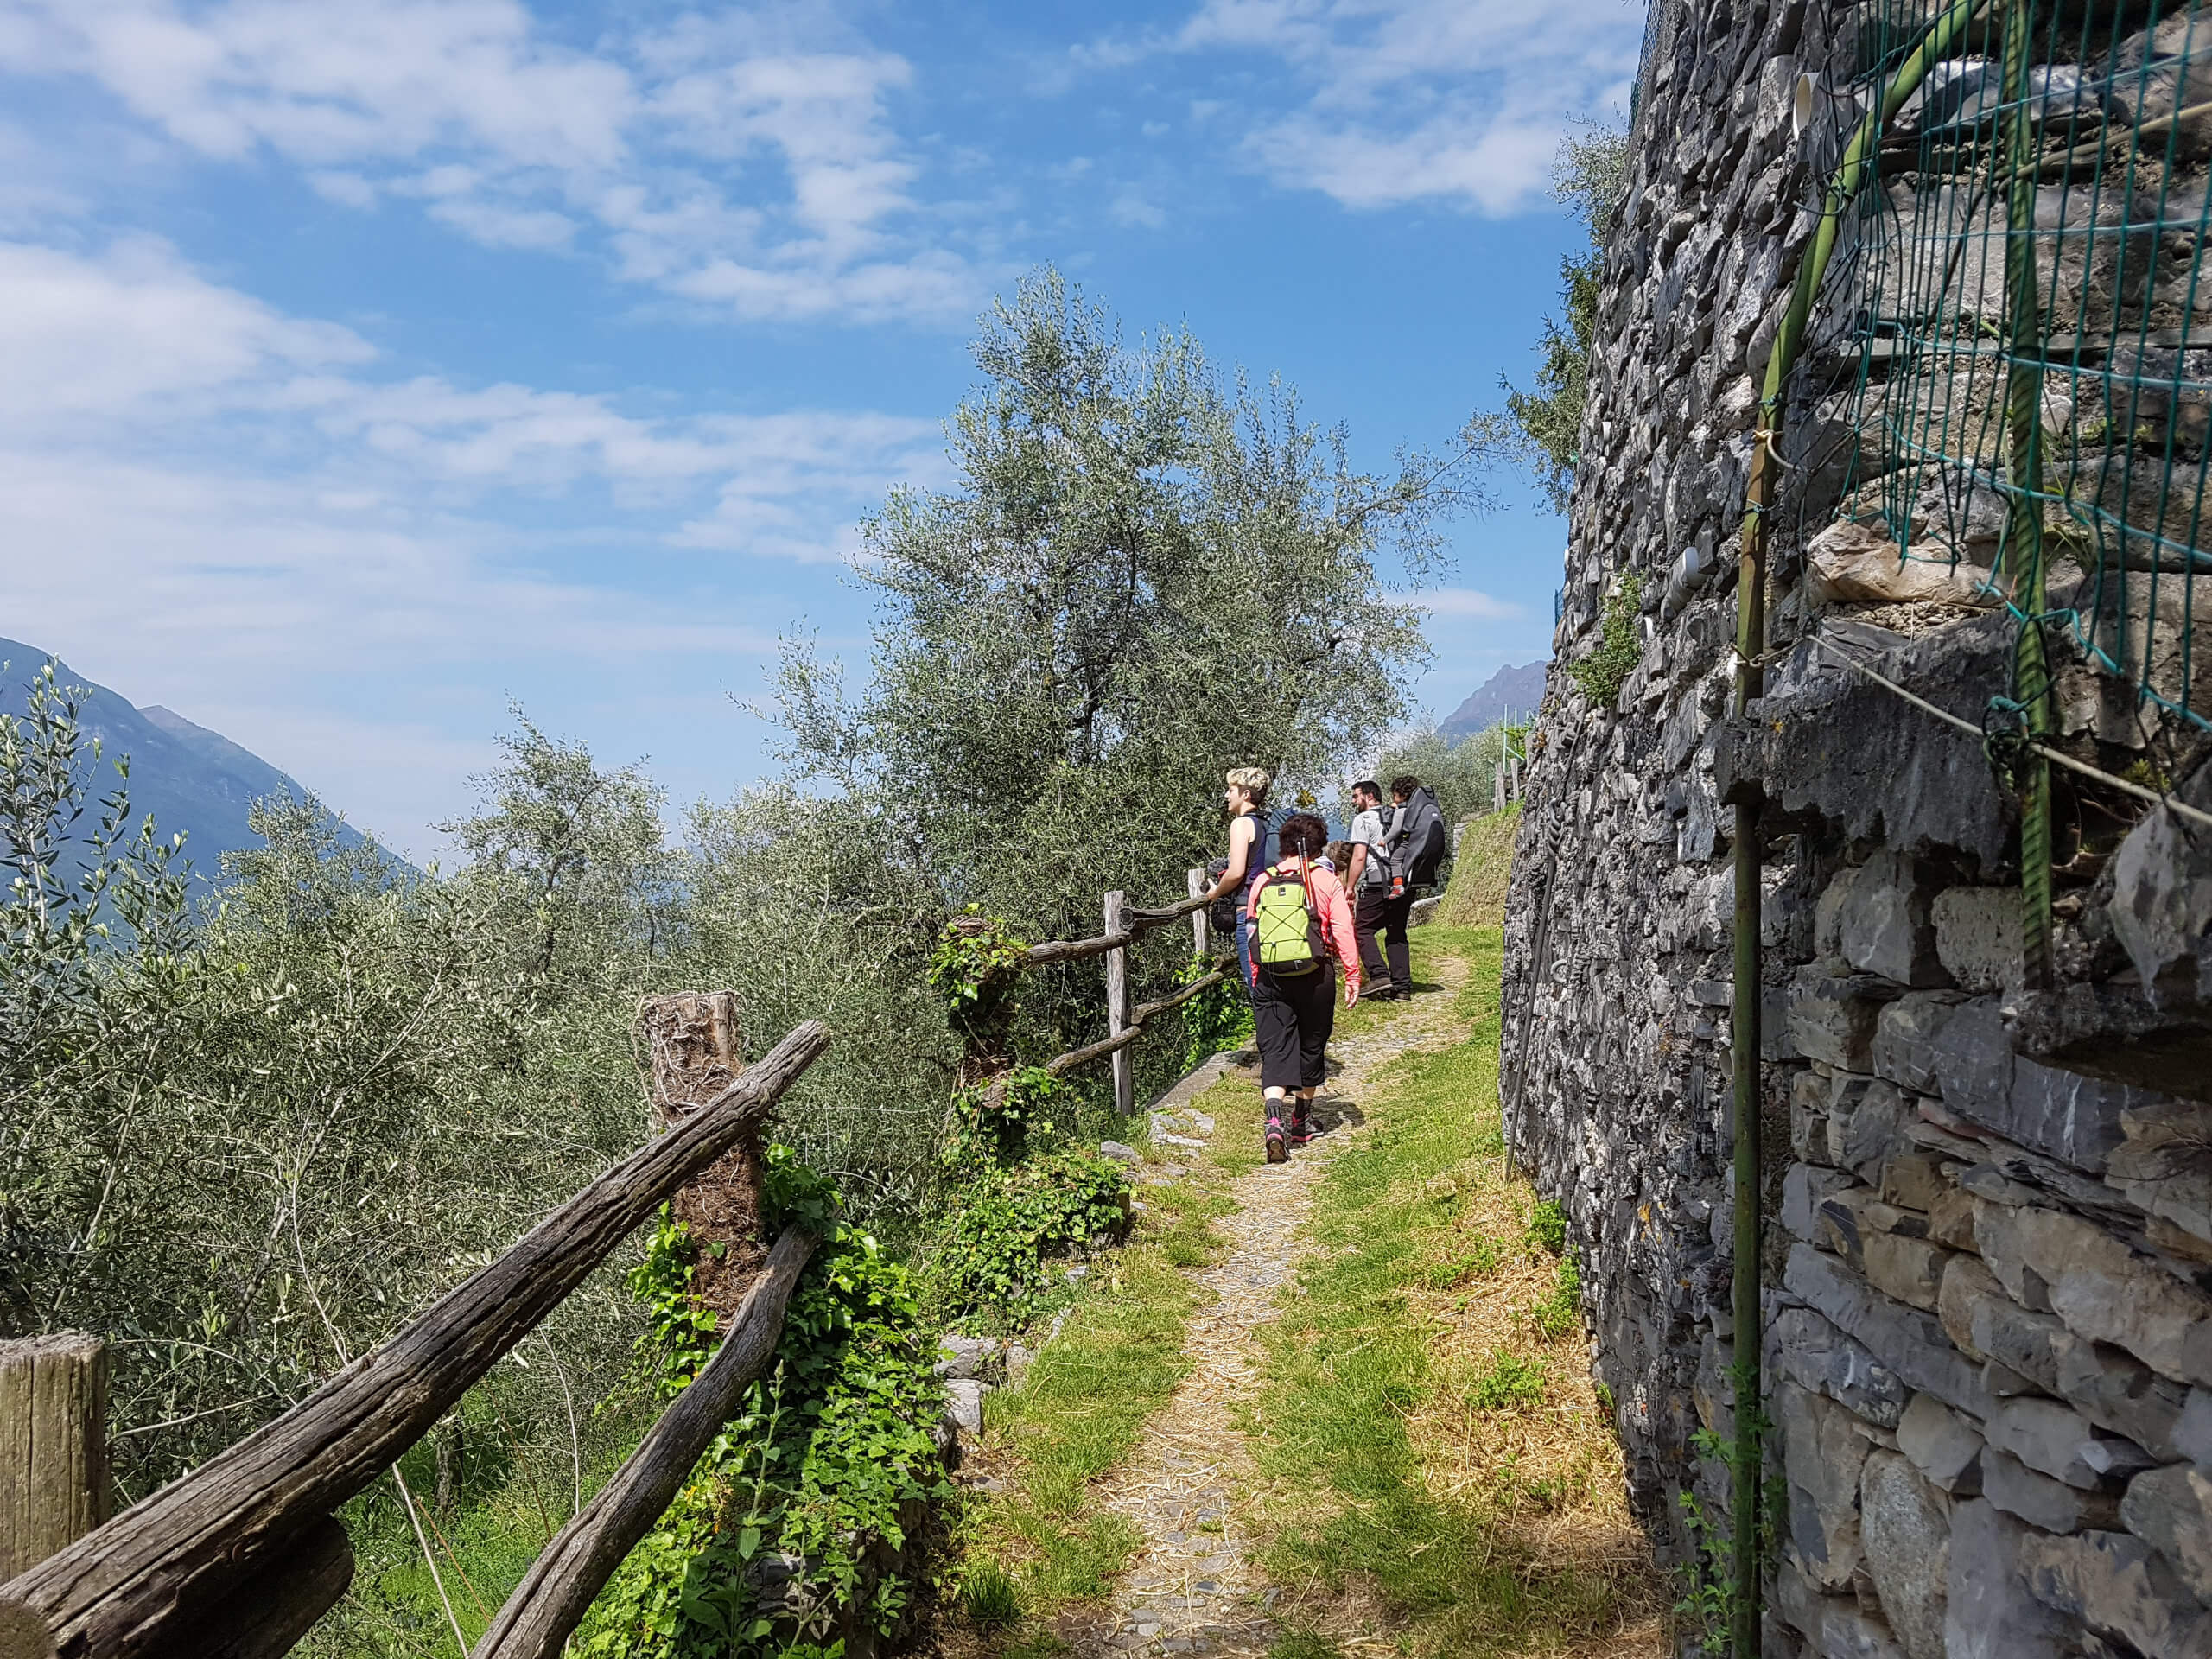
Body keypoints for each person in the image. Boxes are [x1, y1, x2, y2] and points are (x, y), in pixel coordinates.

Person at [1244, 812, 1361, 1162]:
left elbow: (1253, 932)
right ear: (1319, 845)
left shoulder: (1263, 880)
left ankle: (1273, 1120)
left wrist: (1256, 975)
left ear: (1282, 846)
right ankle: (1301, 1120)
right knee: (1311, 1044)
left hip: (1271, 975)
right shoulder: (1325, 881)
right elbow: (1342, 930)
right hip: (1315, 973)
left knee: (1276, 1050)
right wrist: (1353, 974)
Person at [1200, 766, 1274, 988]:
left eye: (1231, 789)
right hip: (1271, 908)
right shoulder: (1268, 823)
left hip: (1248, 913)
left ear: (1245, 794)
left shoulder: (1241, 824)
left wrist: (1216, 892)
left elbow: (1236, 872)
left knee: (1256, 986)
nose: (1226, 795)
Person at [1345, 779, 1394, 994]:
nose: (1354, 801)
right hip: (1401, 880)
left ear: (1369, 796)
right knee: (1397, 931)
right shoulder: (1396, 816)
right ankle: (1402, 984)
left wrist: (1350, 887)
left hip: (1376, 880)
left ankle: (1379, 975)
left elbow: (1359, 857)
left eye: (1356, 796)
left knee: (1361, 929)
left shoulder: (1362, 819)